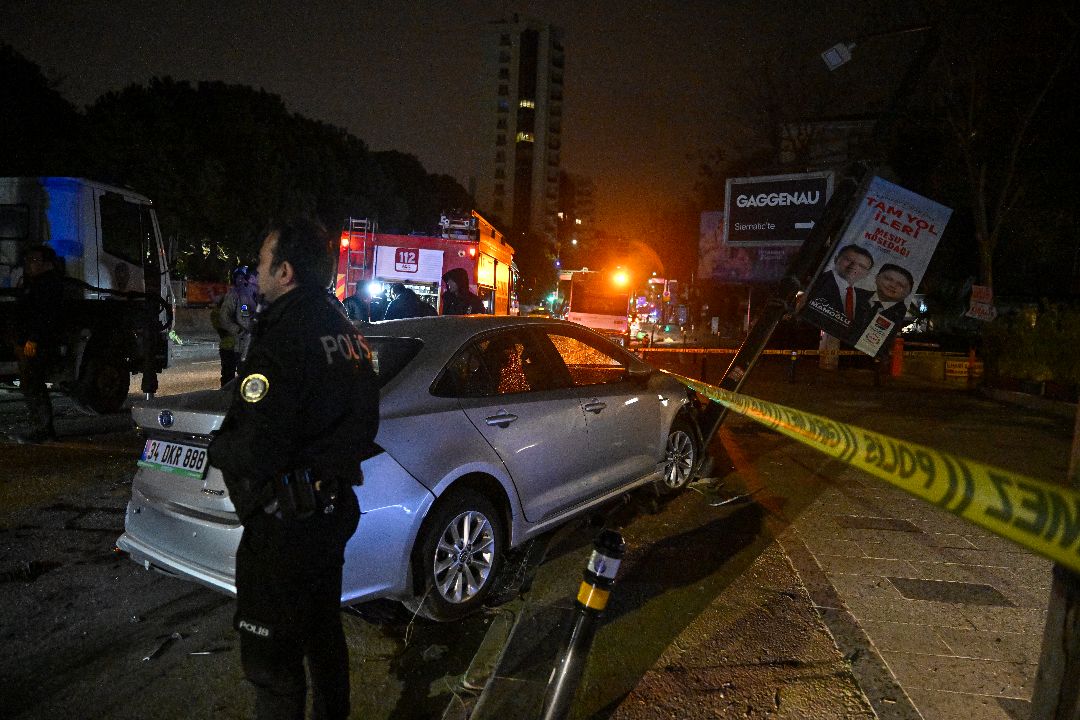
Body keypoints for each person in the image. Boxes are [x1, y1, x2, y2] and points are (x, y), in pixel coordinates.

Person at [207, 217, 380, 720]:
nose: (255, 272)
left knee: (273, 661)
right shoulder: (347, 332)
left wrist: (219, 450)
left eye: (262, 263)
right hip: (329, 514)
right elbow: (363, 425)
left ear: (285, 272)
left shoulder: (283, 338)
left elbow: (258, 446)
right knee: (323, 633)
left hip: (284, 528)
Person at [10, 245, 65, 443]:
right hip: (29, 341)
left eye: (33, 260)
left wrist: (33, 339)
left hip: (36, 343)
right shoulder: (36, 283)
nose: (29, 264)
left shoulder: (47, 285)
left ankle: (42, 430)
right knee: (30, 383)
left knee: (33, 384)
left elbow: (45, 316)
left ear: (46, 263)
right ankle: (41, 428)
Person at [800, 244, 874, 336]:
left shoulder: (864, 302)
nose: (853, 266)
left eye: (861, 266)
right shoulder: (817, 283)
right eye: (848, 260)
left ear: (867, 273)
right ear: (835, 259)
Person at [849, 263, 914, 354]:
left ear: (908, 292)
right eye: (888, 279)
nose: (892, 285)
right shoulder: (853, 294)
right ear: (876, 277)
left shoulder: (903, 316)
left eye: (900, 285)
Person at [219, 266, 259, 379]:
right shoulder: (234, 295)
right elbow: (223, 317)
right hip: (233, 346)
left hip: (248, 347)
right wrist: (239, 330)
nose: (241, 281)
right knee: (229, 379)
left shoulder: (258, 297)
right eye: (239, 278)